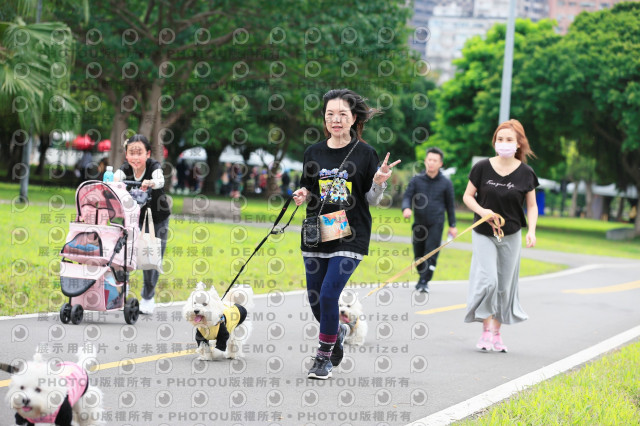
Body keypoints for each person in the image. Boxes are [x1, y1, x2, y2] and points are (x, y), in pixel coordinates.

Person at [292, 88, 400, 379]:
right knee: (316, 298)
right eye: (330, 114)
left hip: (351, 232)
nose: (336, 119)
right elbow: (308, 186)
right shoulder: (313, 152)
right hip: (318, 230)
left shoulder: (365, 153)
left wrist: (379, 182)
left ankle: (323, 357)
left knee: (329, 294)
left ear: (354, 119)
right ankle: (336, 332)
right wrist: (302, 193)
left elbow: (372, 199)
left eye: (342, 114)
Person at [462, 119, 538, 353]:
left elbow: (532, 206)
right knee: (490, 281)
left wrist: (531, 231)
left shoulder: (526, 173)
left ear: (518, 144)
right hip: (484, 232)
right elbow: (467, 196)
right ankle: (485, 329)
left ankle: (496, 332)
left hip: (512, 233)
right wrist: (482, 211)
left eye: (509, 139)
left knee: (504, 285)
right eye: (500, 139)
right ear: (495, 142)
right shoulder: (482, 167)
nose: (504, 143)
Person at [114, 134, 171, 315]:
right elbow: (114, 178)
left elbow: (160, 180)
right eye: (132, 152)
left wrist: (151, 182)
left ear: (148, 154)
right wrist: (113, 181)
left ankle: (148, 297)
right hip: (133, 217)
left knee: (150, 257)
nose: (135, 157)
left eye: (140, 153)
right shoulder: (125, 169)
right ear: (126, 155)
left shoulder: (154, 167)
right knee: (121, 253)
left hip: (157, 219)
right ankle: (121, 292)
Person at [402, 147, 457, 293]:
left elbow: (450, 206)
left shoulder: (446, 183)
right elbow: (407, 197)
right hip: (419, 223)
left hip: (436, 224)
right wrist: (406, 208)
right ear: (425, 161)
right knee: (418, 255)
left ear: (440, 164)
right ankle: (422, 275)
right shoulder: (416, 180)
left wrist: (452, 225)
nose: (431, 163)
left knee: (431, 252)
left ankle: (424, 281)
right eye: (429, 160)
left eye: (435, 160)